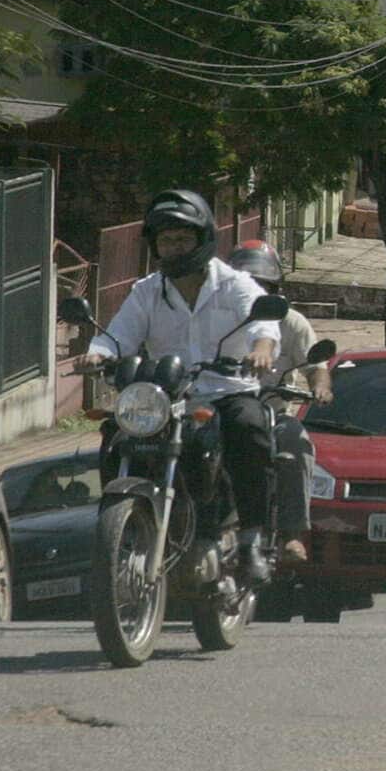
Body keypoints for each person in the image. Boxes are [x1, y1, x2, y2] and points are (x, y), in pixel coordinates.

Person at [84, 189, 280, 581]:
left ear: (203, 239)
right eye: (166, 240)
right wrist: (98, 353)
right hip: (167, 399)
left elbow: (263, 324)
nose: (173, 248)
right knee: (115, 437)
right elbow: (119, 334)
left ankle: (251, 538)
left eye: (182, 239)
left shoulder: (235, 284)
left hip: (227, 390)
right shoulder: (146, 291)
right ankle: (127, 527)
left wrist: (260, 349)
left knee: (249, 428)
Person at [229, 239, 330, 566]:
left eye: (262, 284)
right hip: (224, 408)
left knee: (296, 445)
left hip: (273, 411)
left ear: (275, 288)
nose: (254, 290)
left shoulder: (293, 322)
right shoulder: (220, 318)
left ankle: (292, 534)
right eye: (246, 282)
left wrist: (320, 388)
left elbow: (317, 367)